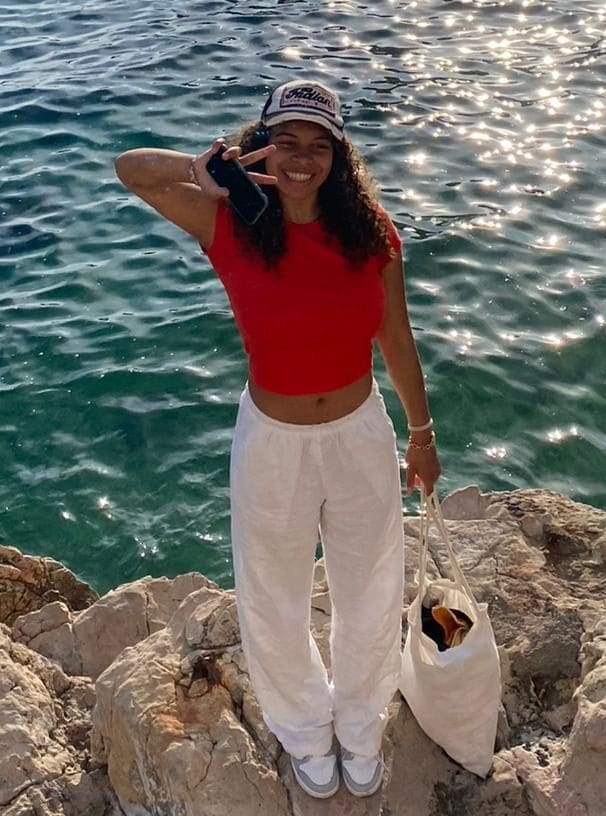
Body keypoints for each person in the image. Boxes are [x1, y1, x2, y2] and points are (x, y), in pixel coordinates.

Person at [113, 78, 440, 799]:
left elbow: (396, 337)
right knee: (273, 599)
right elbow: (130, 169)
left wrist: (421, 435)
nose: (300, 158)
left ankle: (361, 726)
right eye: (285, 141)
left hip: (358, 434)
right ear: (260, 146)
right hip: (272, 443)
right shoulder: (226, 224)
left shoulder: (372, 231)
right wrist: (209, 168)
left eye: (318, 145)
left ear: (339, 156)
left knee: (371, 590)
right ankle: (305, 733)